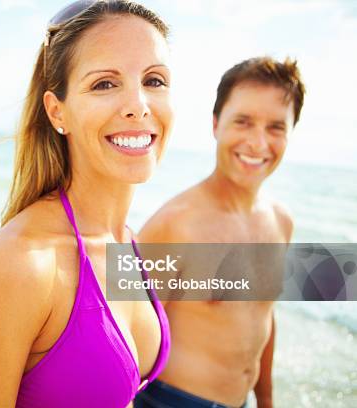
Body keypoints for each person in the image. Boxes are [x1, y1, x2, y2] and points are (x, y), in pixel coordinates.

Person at [0, 1, 174, 406]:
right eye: (105, 84)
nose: (139, 103)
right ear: (58, 112)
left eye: (155, 80)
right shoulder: (23, 262)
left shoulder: (129, 244)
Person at [134, 57, 306, 408]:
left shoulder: (281, 221)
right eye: (243, 122)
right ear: (216, 124)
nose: (258, 142)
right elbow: (122, 346)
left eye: (276, 127)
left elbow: (263, 317)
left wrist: (267, 399)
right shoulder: (174, 223)